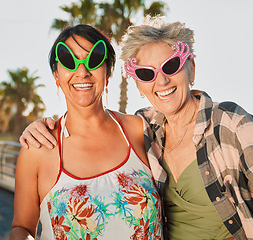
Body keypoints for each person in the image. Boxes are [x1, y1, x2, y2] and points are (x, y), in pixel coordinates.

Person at [19, 16, 253, 240]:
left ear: (191, 69)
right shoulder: (149, 128)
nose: (161, 81)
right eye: (147, 73)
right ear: (138, 83)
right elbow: (23, 227)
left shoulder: (226, 125)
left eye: (171, 66)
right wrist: (40, 125)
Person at [9, 24, 163, 240]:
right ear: (56, 75)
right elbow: (22, 228)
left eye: (94, 59)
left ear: (108, 72)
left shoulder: (140, 130)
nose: (82, 72)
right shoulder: (37, 149)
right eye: (69, 61)